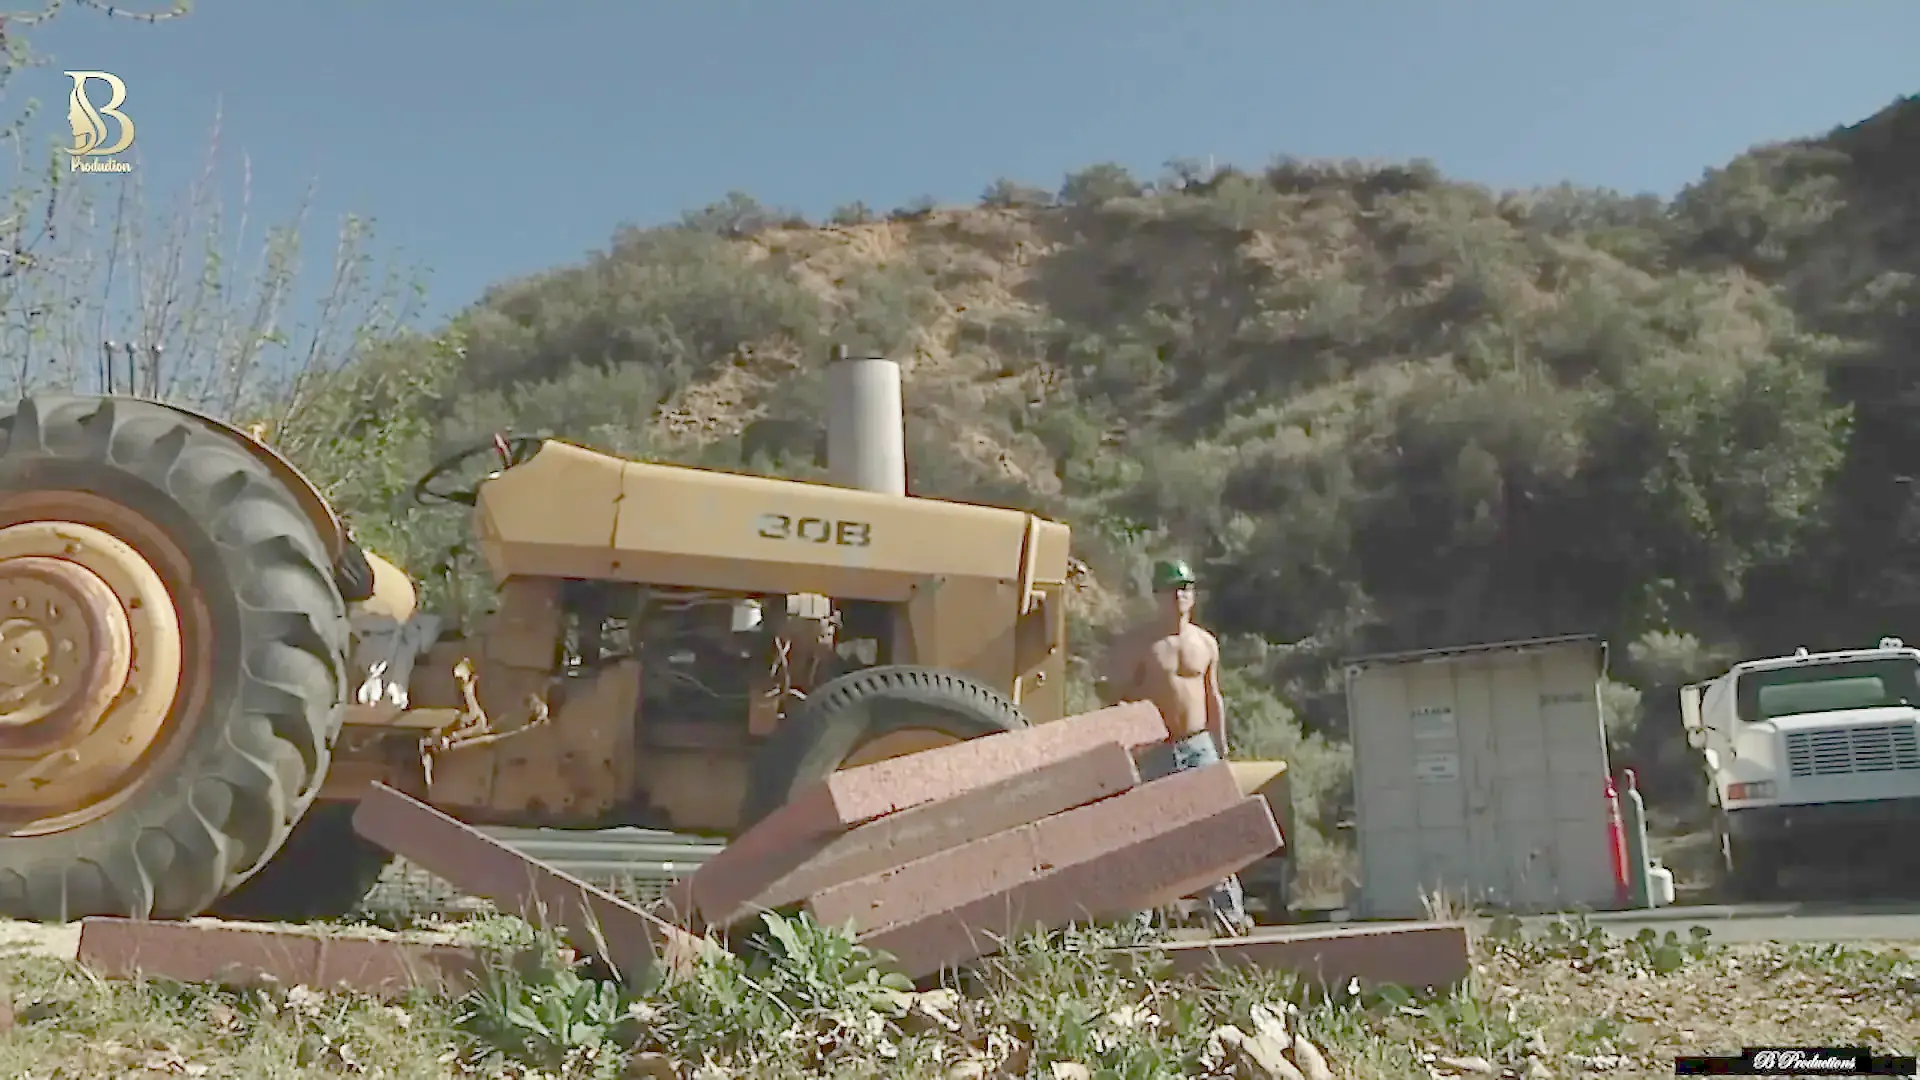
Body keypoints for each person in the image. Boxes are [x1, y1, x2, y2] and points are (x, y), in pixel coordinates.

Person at [1100, 558, 1253, 937]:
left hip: (1198, 746)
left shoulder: (1205, 643)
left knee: (1214, 829)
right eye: (1172, 589)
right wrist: (1125, 748)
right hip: (1155, 750)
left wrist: (1221, 747)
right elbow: (1115, 697)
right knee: (1149, 836)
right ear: (1157, 595)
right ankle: (1138, 925)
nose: (1180, 595)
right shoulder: (1140, 645)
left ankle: (1228, 914)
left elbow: (1212, 696)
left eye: (1186, 588)